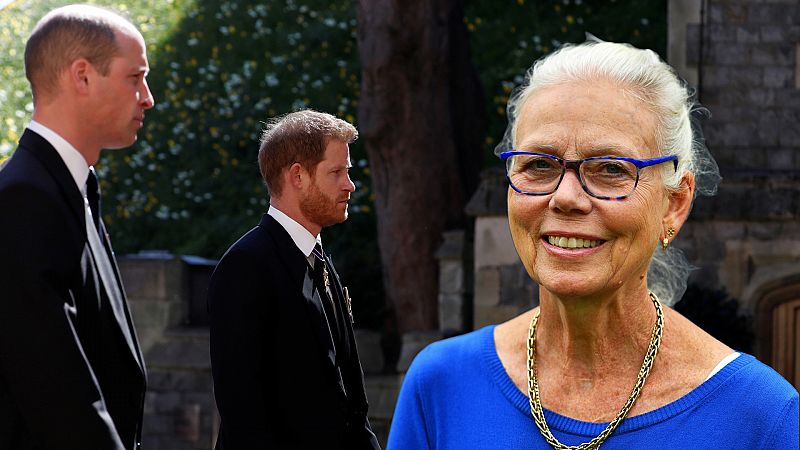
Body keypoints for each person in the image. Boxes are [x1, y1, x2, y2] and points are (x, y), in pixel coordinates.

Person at [388, 41, 799, 449]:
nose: (565, 197)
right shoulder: (441, 387)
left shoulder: (761, 417)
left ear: (674, 205)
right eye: (539, 165)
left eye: (610, 169)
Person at [0, 4, 153, 450]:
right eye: (135, 77)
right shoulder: (22, 200)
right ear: (82, 75)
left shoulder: (70, 187)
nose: (148, 97)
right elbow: (60, 402)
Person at [208, 109, 381, 450]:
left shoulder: (321, 260)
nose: (351, 184)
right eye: (337, 172)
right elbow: (245, 418)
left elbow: (352, 408)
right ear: (298, 176)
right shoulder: (245, 266)